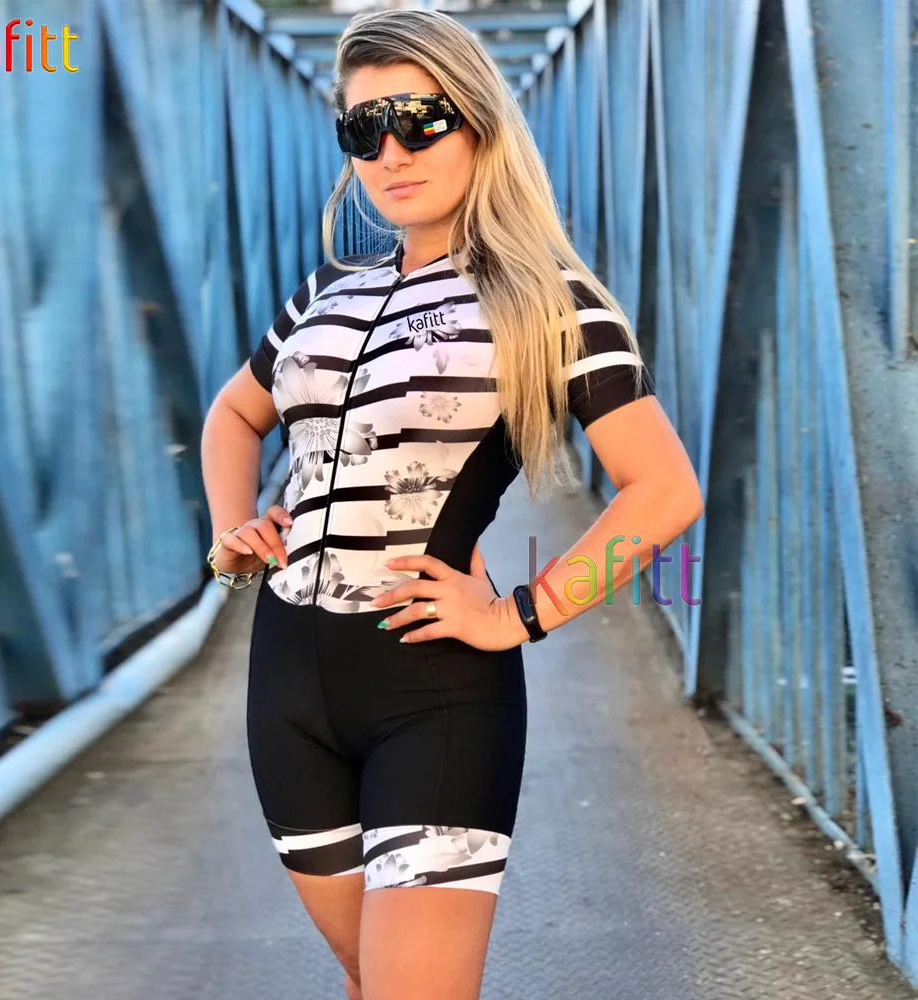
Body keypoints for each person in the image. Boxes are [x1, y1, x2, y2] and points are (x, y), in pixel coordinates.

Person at [199, 8, 703, 999]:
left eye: (419, 120)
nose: (390, 152)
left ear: (478, 123)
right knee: (369, 979)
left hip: (434, 691)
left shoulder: (548, 298)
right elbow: (232, 414)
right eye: (363, 129)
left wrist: (521, 613)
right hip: (286, 684)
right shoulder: (323, 294)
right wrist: (231, 531)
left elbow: (665, 490)